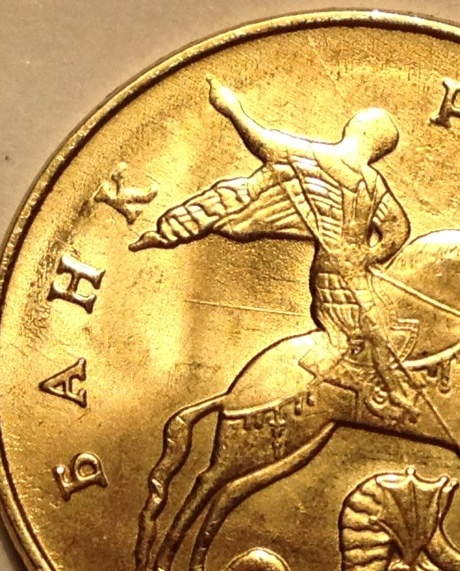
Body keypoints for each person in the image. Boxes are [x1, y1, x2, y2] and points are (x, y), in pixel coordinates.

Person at [131, 77, 415, 415]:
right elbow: (397, 229)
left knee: (384, 319)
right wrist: (367, 255)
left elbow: (398, 228)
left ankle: (377, 383)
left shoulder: (356, 176)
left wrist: (233, 109)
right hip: (333, 273)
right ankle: (382, 390)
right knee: (367, 325)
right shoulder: (329, 165)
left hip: (351, 269)